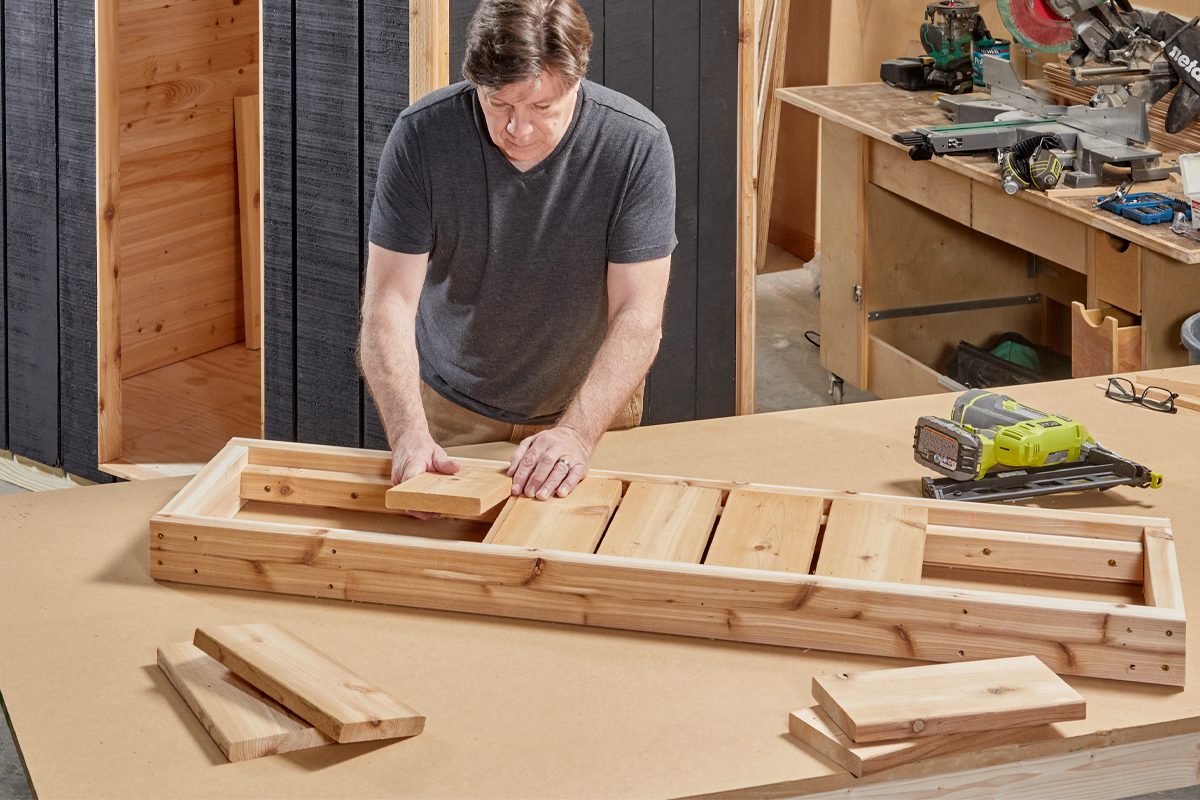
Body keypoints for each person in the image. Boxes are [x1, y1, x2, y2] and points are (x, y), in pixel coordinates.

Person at [359, 0, 676, 503]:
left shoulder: (636, 144)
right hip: (452, 410)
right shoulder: (421, 135)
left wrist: (576, 433)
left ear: (576, 82)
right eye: (499, 105)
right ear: (475, 84)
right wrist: (408, 434)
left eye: (541, 107)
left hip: (591, 407)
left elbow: (638, 314)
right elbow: (387, 305)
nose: (518, 131)